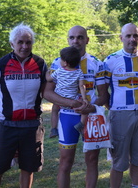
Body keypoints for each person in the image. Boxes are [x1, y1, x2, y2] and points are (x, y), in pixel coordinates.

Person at [43, 25, 107, 188]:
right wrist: (71, 103)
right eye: (72, 37)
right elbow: (48, 93)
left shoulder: (97, 63)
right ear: (68, 39)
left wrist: (91, 107)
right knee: (65, 161)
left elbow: (104, 95)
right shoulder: (58, 62)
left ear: (87, 40)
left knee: (92, 160)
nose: (75, 40)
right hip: (67, 116)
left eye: (80, 37)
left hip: (91, 117)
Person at [0, 23, 47, 188]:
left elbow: (45, 91)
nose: (24, 46)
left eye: (28, 42)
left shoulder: (40, 64)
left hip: (32, 126)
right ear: (12, 44)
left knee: (28, 167)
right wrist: (5, 107)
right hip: (6, 125)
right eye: (20, 42)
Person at [104, 23, 138, 188]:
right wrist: (113, 107)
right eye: (128, 36)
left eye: (135, 35)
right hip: (120, 115)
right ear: (121, 38)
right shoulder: (110, 61)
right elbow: (103, 92)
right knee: (119, 159)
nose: (132, 39)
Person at [46, 46, 88, 135]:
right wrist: (84, 99)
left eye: (61, 59)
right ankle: (81, 124)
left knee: (54, 110)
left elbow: (49, 79)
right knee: (85, 110)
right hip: (73, 98)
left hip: (60, 98)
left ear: (65, 63)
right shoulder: (79, 72)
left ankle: (54, 129)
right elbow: (81, 86)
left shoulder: (59, 71)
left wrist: (47, 72)